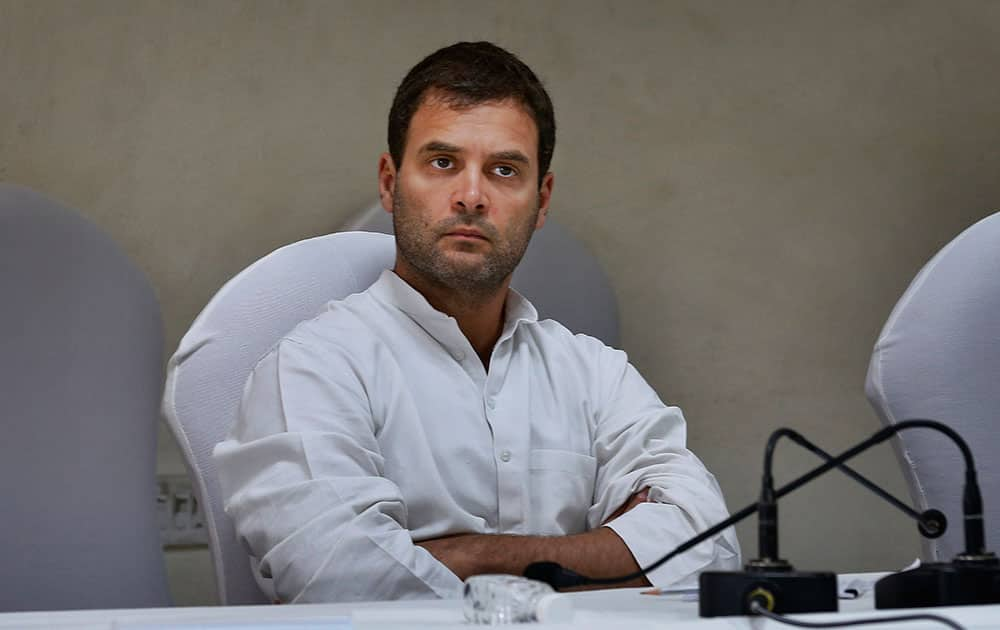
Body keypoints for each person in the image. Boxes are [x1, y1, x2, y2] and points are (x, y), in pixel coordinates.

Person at [214, 41, 740, 604]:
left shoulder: (593, 373)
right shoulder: (312, 369)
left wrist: (467, 555)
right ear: (390, 183)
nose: (470, 196)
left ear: (541, 200)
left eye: (504, 170)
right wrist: (600, 553)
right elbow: (343, 581)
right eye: (443, 163)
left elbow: (708, 552)